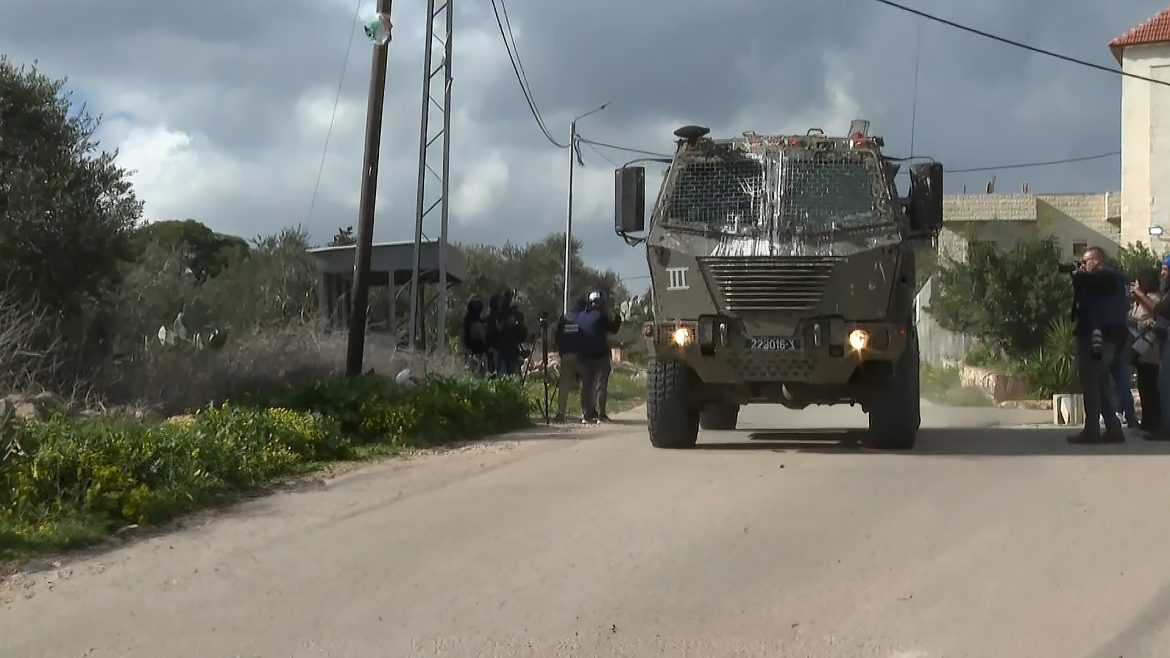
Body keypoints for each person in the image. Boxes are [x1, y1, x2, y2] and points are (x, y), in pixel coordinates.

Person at [1067, 246, 1129, 444]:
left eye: (1086, 262)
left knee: (1090, 382)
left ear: (1096, 260)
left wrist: (1081, 276)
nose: (1084, 266)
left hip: (1098, 337)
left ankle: (1092, 429)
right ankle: (1113, 429)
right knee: (1101, 383)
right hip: (1109, 336)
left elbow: (1095, 282)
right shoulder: (1107, 281)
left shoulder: (1109, 277)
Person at [1128, 267, 1163, 431]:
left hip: (1153, 352)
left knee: (1151, 388)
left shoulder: (1155, 297)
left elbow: (1155, 312)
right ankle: (1147, 421)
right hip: (1141, 351)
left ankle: (1154, 422)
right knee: (1143, 386)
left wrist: (1140, 295)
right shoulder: (1138, 300)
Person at [575, 291, 617, 424]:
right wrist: (618, 318)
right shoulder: (601, 317)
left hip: (584, 357)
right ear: (601, 303)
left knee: (586, 386)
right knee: (601, 386)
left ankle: (586, 415)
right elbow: (613, 329)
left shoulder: (581, 316)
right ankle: (601, 415)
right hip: (600, 357)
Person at [552, 297, 586, 423]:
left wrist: (561, 351)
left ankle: (560, 413)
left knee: (564, 386)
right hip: (581, 357)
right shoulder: (583, 318)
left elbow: (557, 337)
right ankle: (585, 413)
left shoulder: (564, 318)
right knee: (586, 385)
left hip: (566, 356)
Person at [461, 298, 489, 375]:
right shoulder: (476, 324)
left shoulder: (466, 322)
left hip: (468, 353)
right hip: (477, 354)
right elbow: (483, 338)